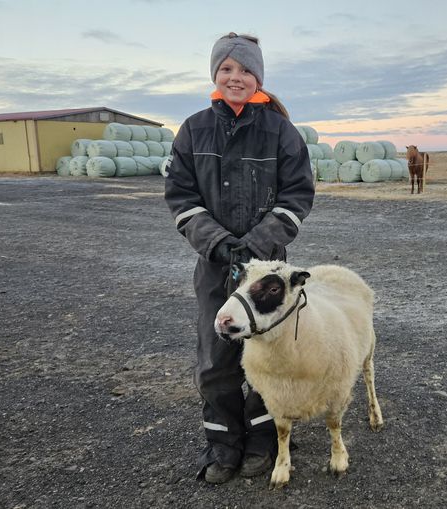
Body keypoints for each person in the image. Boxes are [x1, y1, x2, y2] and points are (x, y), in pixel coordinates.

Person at [164, 32, 315, 484]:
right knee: (216, 359)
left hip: (267, 271)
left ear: (258, 77)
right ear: (215, 75)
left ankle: (264, 442)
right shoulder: (193, 130)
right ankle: (224, 445)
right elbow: (181, 196)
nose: (236, 77)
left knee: (270, 357)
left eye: (245, 70)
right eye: (227, 69)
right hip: (214, 266)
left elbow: (297, 196)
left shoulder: (280, 131)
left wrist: (257, 244)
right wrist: (217, 242)